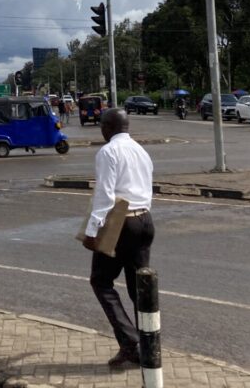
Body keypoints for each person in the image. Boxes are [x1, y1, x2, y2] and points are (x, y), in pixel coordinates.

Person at [81, 108, 154, 369]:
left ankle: (129, 342)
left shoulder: (108, 152)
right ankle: (148, 348)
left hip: (121, 222)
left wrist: (92, 231)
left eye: (102, 124)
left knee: (101, 281)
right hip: (145, 220)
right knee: (139, 290)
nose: (100, 128)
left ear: (108, 127)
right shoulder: (141, 151)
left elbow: (105, 195)